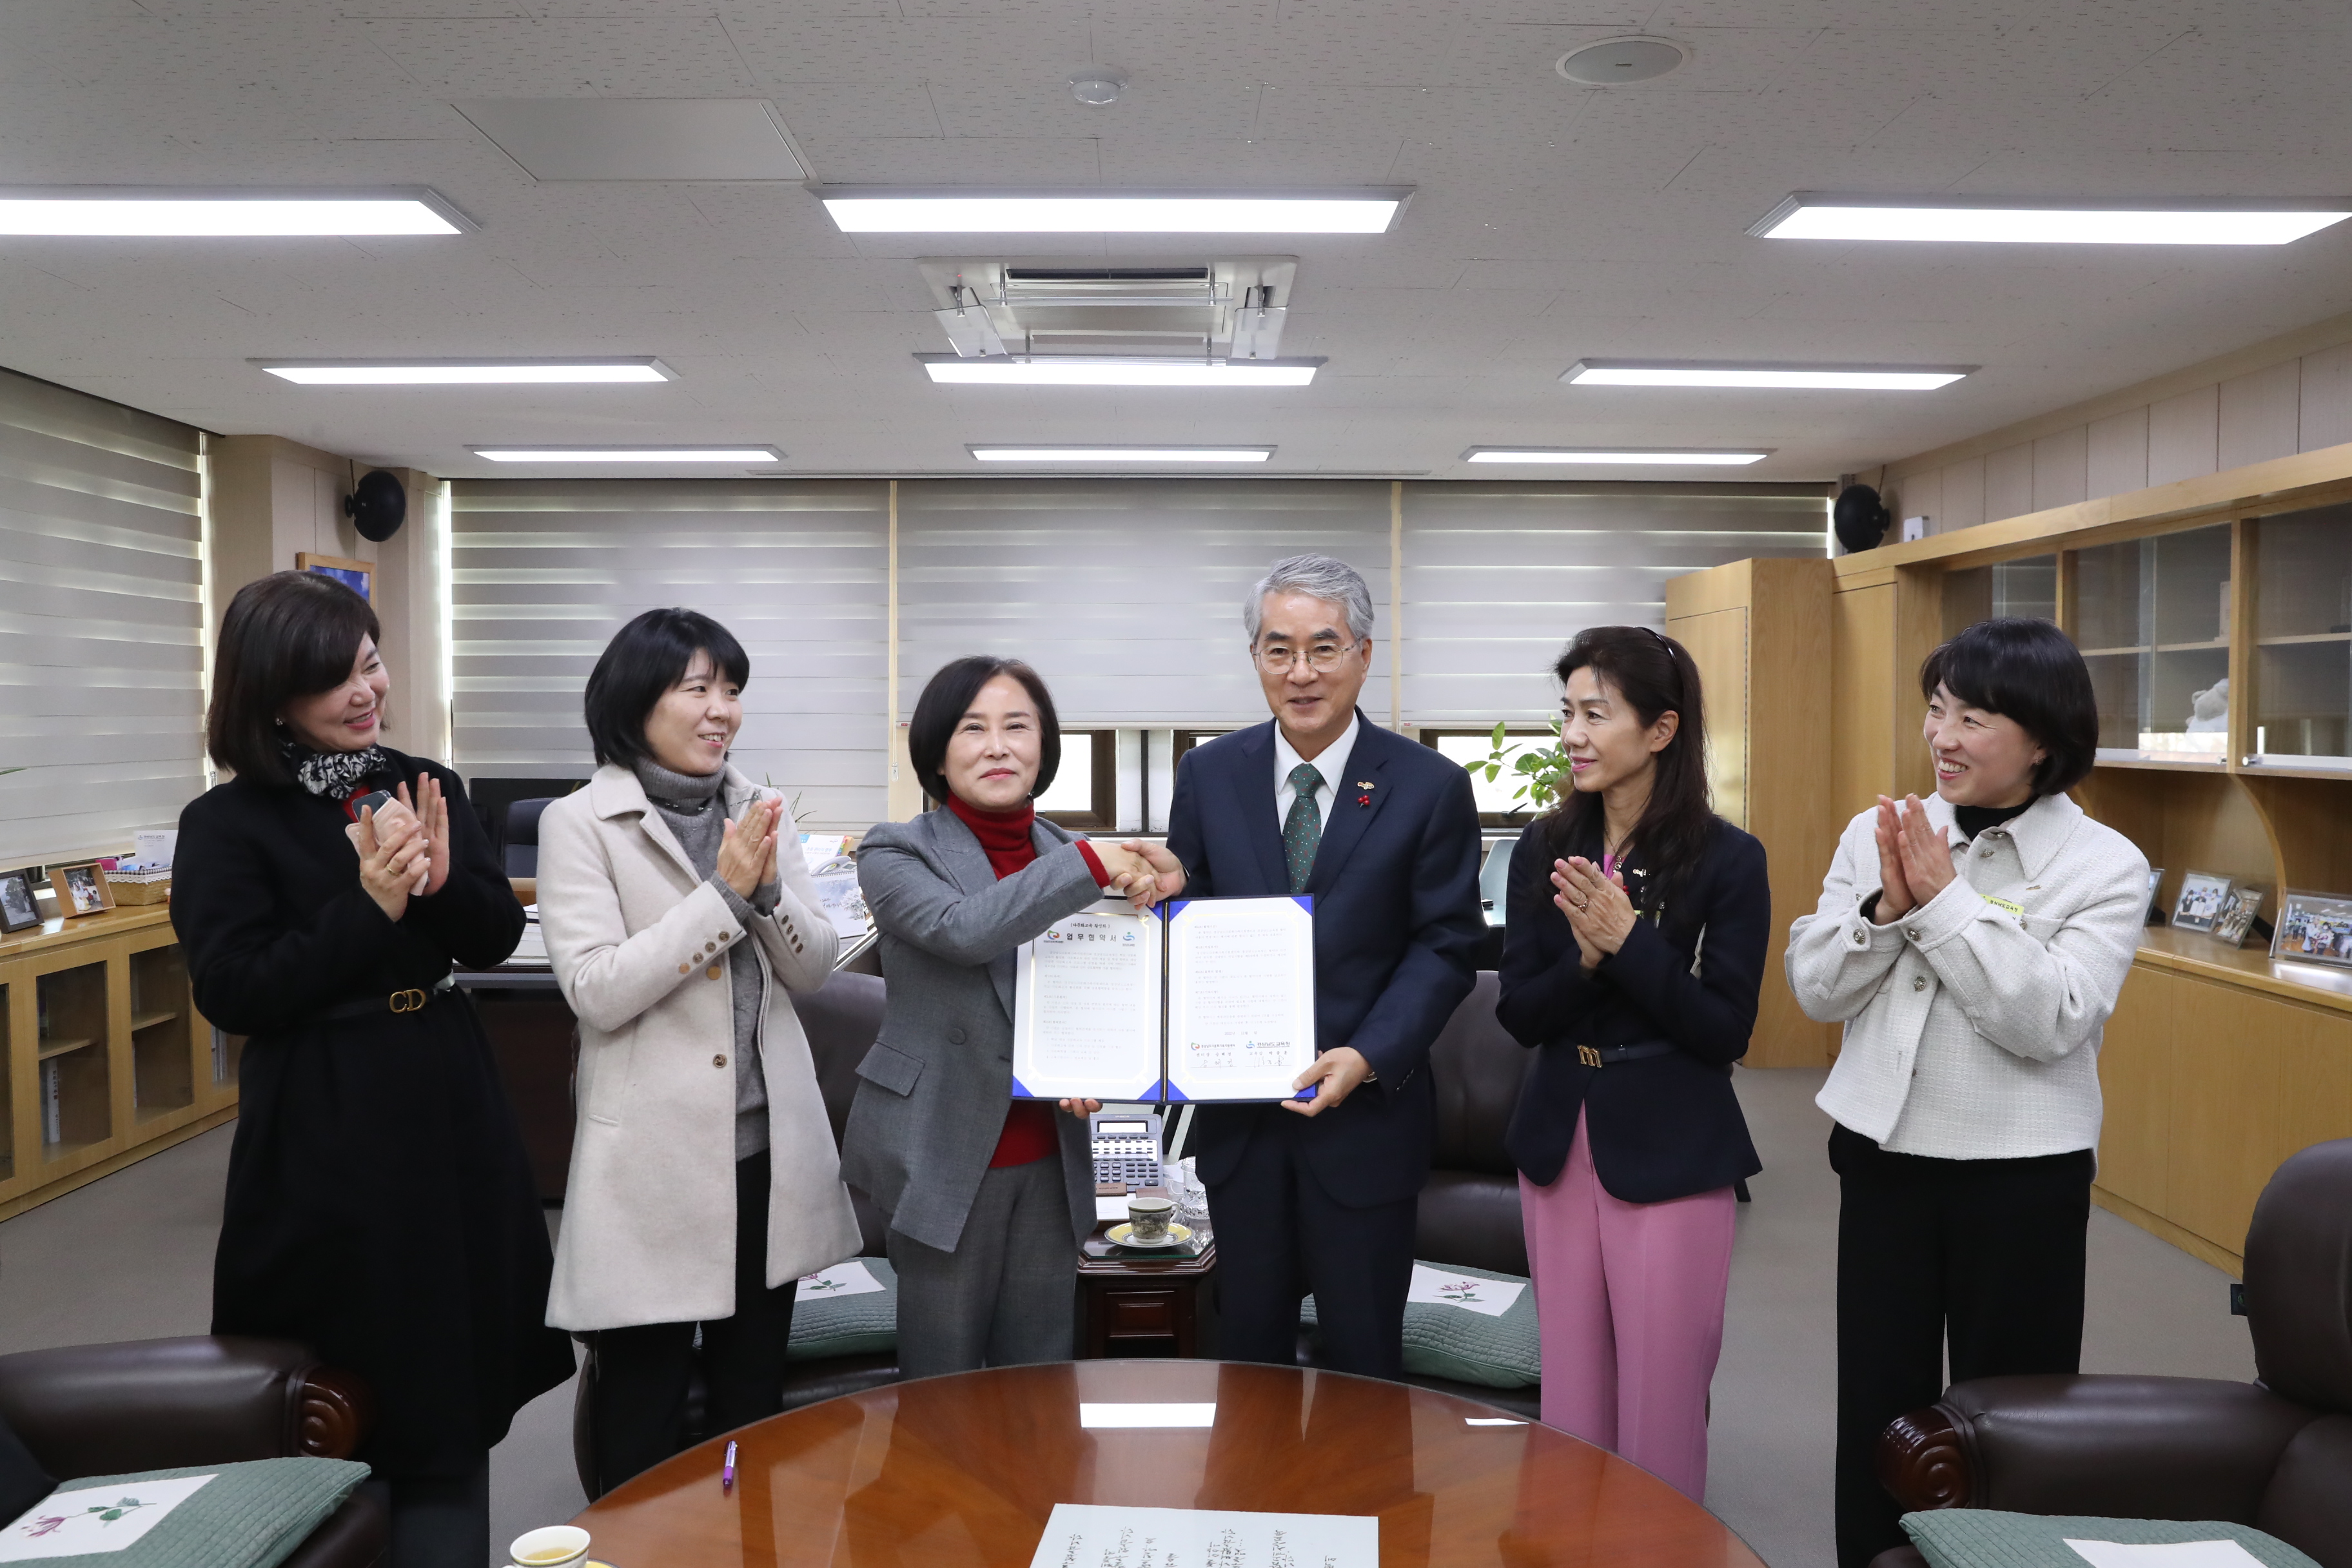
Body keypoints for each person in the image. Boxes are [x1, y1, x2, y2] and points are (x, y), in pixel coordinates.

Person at [173, 571, 573, 1568]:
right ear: (271, 695)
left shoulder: (419, 779)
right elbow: (236, 989)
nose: (369, 693)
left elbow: (491, 932)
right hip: (323, 1113)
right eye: (338, 678)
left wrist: (439, 883)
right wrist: (369, 907)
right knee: (344, 1356)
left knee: (453, 1356)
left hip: (443, 1088)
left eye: (372, 665)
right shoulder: (226, 825)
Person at [1785, 616, 2149, 1568]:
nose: (1942, 737)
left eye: (1974, 717)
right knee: (1878, 1402)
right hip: (1886, 1156)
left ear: (2044, 740)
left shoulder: (2104, 864)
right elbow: (1817, 988)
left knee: (2011, 1416)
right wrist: (1883, 910)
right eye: (1936, 711)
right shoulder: (1881, 833)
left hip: (2019, 1174)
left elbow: (2052, 1018)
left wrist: (1944, 906)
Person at [1127, 554, 1485, 1378]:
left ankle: (1367, 1511)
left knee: (1364, 1363)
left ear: (1364, 653)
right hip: (1242, 1127)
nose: (1301, 672)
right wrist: (1168, 897)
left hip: (1364, 1121)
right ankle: (1251, 1510)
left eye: (1323, 648)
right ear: (1255, 657)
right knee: (1246, 1357)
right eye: (1277, 648)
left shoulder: (1429, 786)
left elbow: (1447, 944)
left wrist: (1367, 1056)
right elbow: (1195, 918)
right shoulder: (1209, 772)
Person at [536, 608, 862, 1494]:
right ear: (638, 702)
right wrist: (725, 894)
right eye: (698, 689)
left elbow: (813, 967)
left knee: (749, 1406)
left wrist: (764, 894)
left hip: (764, 1156)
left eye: (731, 690)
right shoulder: (580, 824)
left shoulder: (761, 810)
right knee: (639, 1405)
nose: (722, 709)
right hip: (649, 1166)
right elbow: (598, 989)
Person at [1494, 625, 1766, 1498]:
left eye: (1595, 714)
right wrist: (1582, 960)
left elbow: (1724, 1030)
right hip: (1557, 1134)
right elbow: (1519, 1010)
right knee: (1571, 1398)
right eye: (1567, 712)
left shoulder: (1729, 860)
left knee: (1660, 1400)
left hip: (1673, 1143)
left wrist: (1628, 944)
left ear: (1661, 730)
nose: (1572, 733)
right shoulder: (1543, 850)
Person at [845, 656, 1165, 1375]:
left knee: (1041, 1376)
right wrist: (1093, 859)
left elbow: (1096, 989)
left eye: (1017, 726)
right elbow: (965, 929)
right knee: (942, 1381)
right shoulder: (894, 849)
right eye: (973, 728)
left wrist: (1096, 1064)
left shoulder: (1066, 854)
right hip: (944, 1151)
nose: (998, 746)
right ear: (936, 749)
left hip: (1053, 1153)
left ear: (1045, 746)